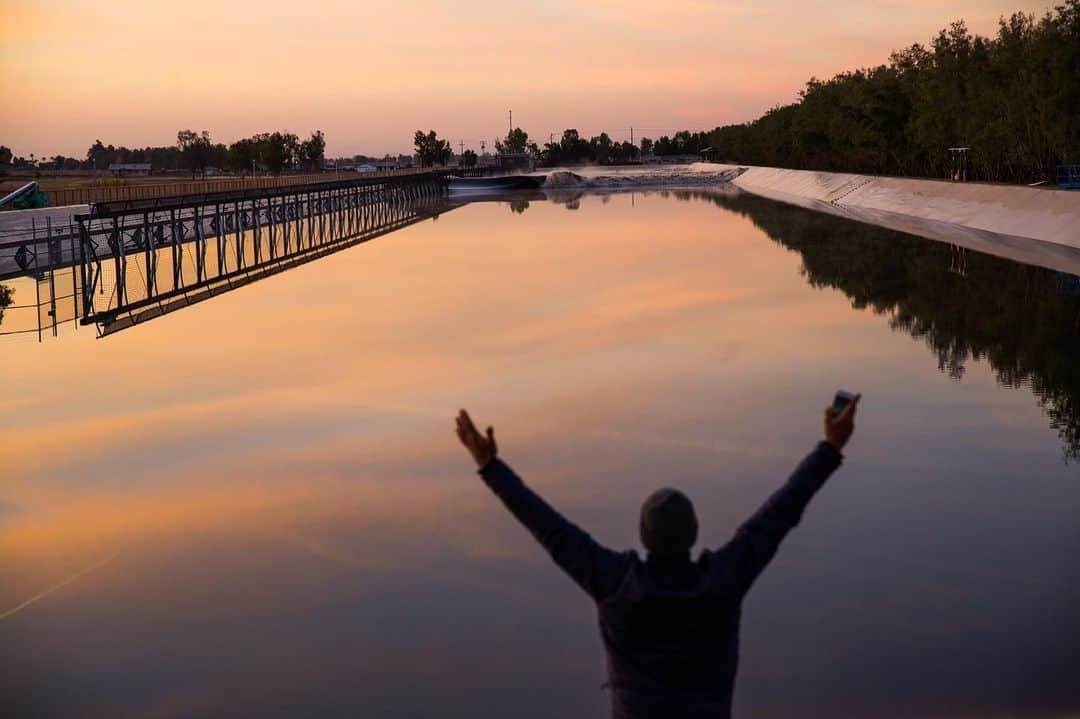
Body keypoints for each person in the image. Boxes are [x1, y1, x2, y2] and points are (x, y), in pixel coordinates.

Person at [455, 394, 860, 719]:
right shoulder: (724, 580)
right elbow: (781, 512)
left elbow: (548, 528)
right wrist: (830, 447)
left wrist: (490, 466)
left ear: (643, 536)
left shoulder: (614, 583)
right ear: (695, 533)